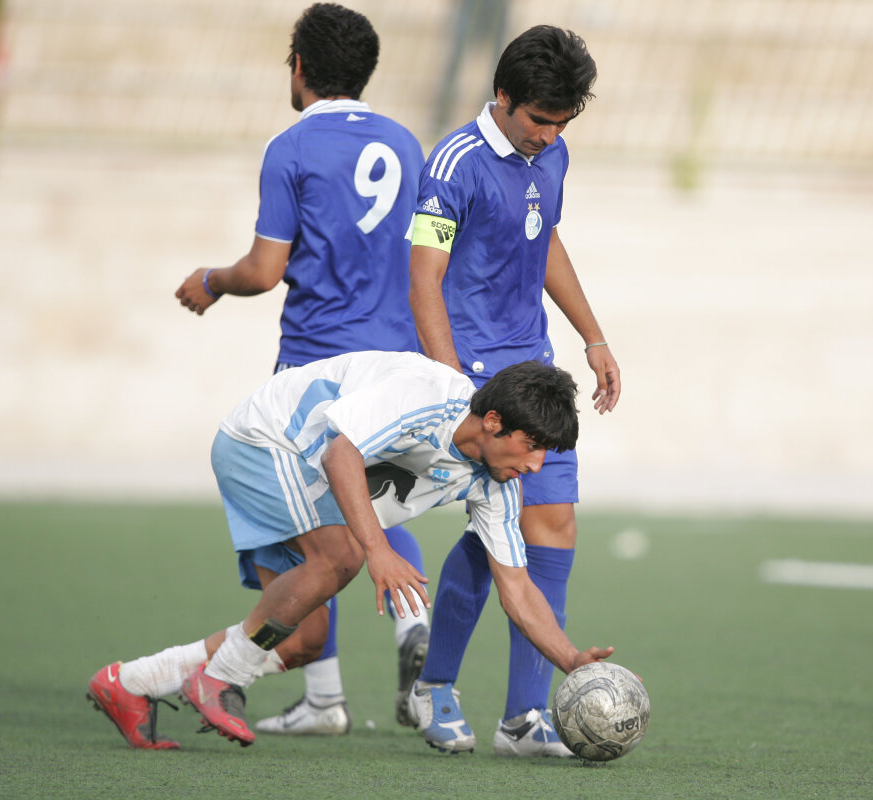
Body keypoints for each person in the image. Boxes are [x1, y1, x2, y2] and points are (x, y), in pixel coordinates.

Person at [85, 352, 614, 750]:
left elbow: (516, 589)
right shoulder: (427, 396)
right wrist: (377, 550)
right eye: (532, 446)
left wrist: (570, 660)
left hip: (309, 482)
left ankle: (130, 682)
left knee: (303, 640)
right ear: (494, 421)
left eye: (546, 453)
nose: (536, 465)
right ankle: (220, 678)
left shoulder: (497, 484)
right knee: (341, 558)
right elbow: (341, 455)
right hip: (266, 443)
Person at [173, 3, 429, 736]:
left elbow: (263, 270)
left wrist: (212, 281)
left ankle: (324, 695)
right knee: (373, 505)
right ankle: (404, 631)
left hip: (316, 359)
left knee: (311, 523)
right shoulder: (406, 143)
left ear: (299, 68)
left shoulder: (290, 148)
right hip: (395, 355)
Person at [405, 25, 621, 757]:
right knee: (491, 533)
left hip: (535, 369)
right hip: (472, 379)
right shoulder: (453, 164)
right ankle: (434, 686)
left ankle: (524, 718)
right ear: (502, 95)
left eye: (562, 123)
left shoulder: (552, 152)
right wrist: (452, 388)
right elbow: (424, 279)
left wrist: (593, 336)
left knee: (551, 524)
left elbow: (545, 237)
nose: (549, 135)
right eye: (539, 120)